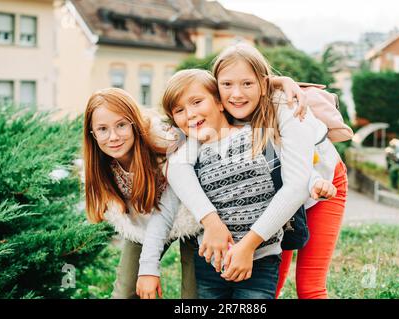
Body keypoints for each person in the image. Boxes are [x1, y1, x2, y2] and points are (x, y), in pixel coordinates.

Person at [163, 43, 349, 299]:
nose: (236, 94)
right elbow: (178, 163)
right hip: (273, 193)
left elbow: (295, 185)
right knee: (272, 282)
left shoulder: (288, 106)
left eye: (247, 85)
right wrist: (212, 222)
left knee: (310, 286)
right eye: (226, 85)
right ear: (216, 91)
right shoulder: (217, 114)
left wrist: (247, 245)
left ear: (262, 85)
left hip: (322, 182)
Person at [82, 87, 201, 299]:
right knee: (125, 291)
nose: (113, 137)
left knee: (194, 295)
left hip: (189, 216)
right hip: (145, 223)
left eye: (121, 125)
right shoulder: (102, 168)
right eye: (102, 129)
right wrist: (145, 268)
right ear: (92, 133)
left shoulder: (165, 146)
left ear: (135, 124)